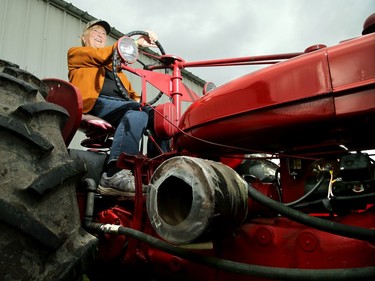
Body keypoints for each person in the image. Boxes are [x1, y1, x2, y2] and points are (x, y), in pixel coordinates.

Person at [67, 19, 168, 196]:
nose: (100, 35)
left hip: (121, 105)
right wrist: (135, 43)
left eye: (103, 34)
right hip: (94, 103)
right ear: (83, 38)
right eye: (95, 31)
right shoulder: (77, 53)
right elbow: (102, 55)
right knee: (136, 111)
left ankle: (160, 172)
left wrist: (150, 109)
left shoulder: (117, 71)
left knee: (161, 117)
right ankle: (114, 173)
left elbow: (132, 96)